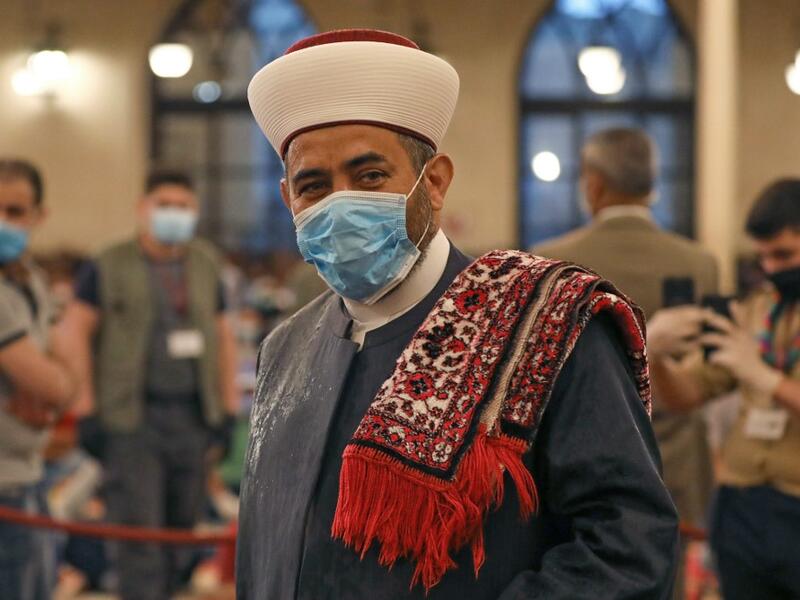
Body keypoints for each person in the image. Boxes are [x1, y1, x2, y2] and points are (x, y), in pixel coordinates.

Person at [237, 29, 678, 599]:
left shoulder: (547, 323)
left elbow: (630, 548)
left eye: (370, 177)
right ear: (286, 200)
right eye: (313, 186)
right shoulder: (286, 347)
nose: (339, 203)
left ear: (436, 182)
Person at [532, 127, 719, 598]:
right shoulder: (700, 262)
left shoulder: (552, 260)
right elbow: (709, 365)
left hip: (580, 460)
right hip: (673, 457)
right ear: (652, 183)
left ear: (592, 183)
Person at [56, 169, 239, 600]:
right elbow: (74, 333)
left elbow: (223, 336)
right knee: (138, 539)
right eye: (164, 205)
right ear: (143, 209)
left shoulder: (204, 262)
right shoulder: (108, 262)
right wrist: (85, 408)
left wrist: (227, 410)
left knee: (181, 536)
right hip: (132, 420)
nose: (173, 214)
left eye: (183, 206)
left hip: (192, 417)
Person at [650, 179, 800, 600]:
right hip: (742, 506)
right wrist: (657, 355)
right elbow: (686, 396)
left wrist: (764, 377)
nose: (772, 268)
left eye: (784, 255)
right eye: (764, 257)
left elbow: (757, 377)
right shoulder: (758, 309)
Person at [0, 159, 78, 600]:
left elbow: (63, 360)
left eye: (15, 211)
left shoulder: (31, 278)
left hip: (29, 473)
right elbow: (54, 383)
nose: (3, 222)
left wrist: (53, 386)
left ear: (37, 216)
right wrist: (55, 389)